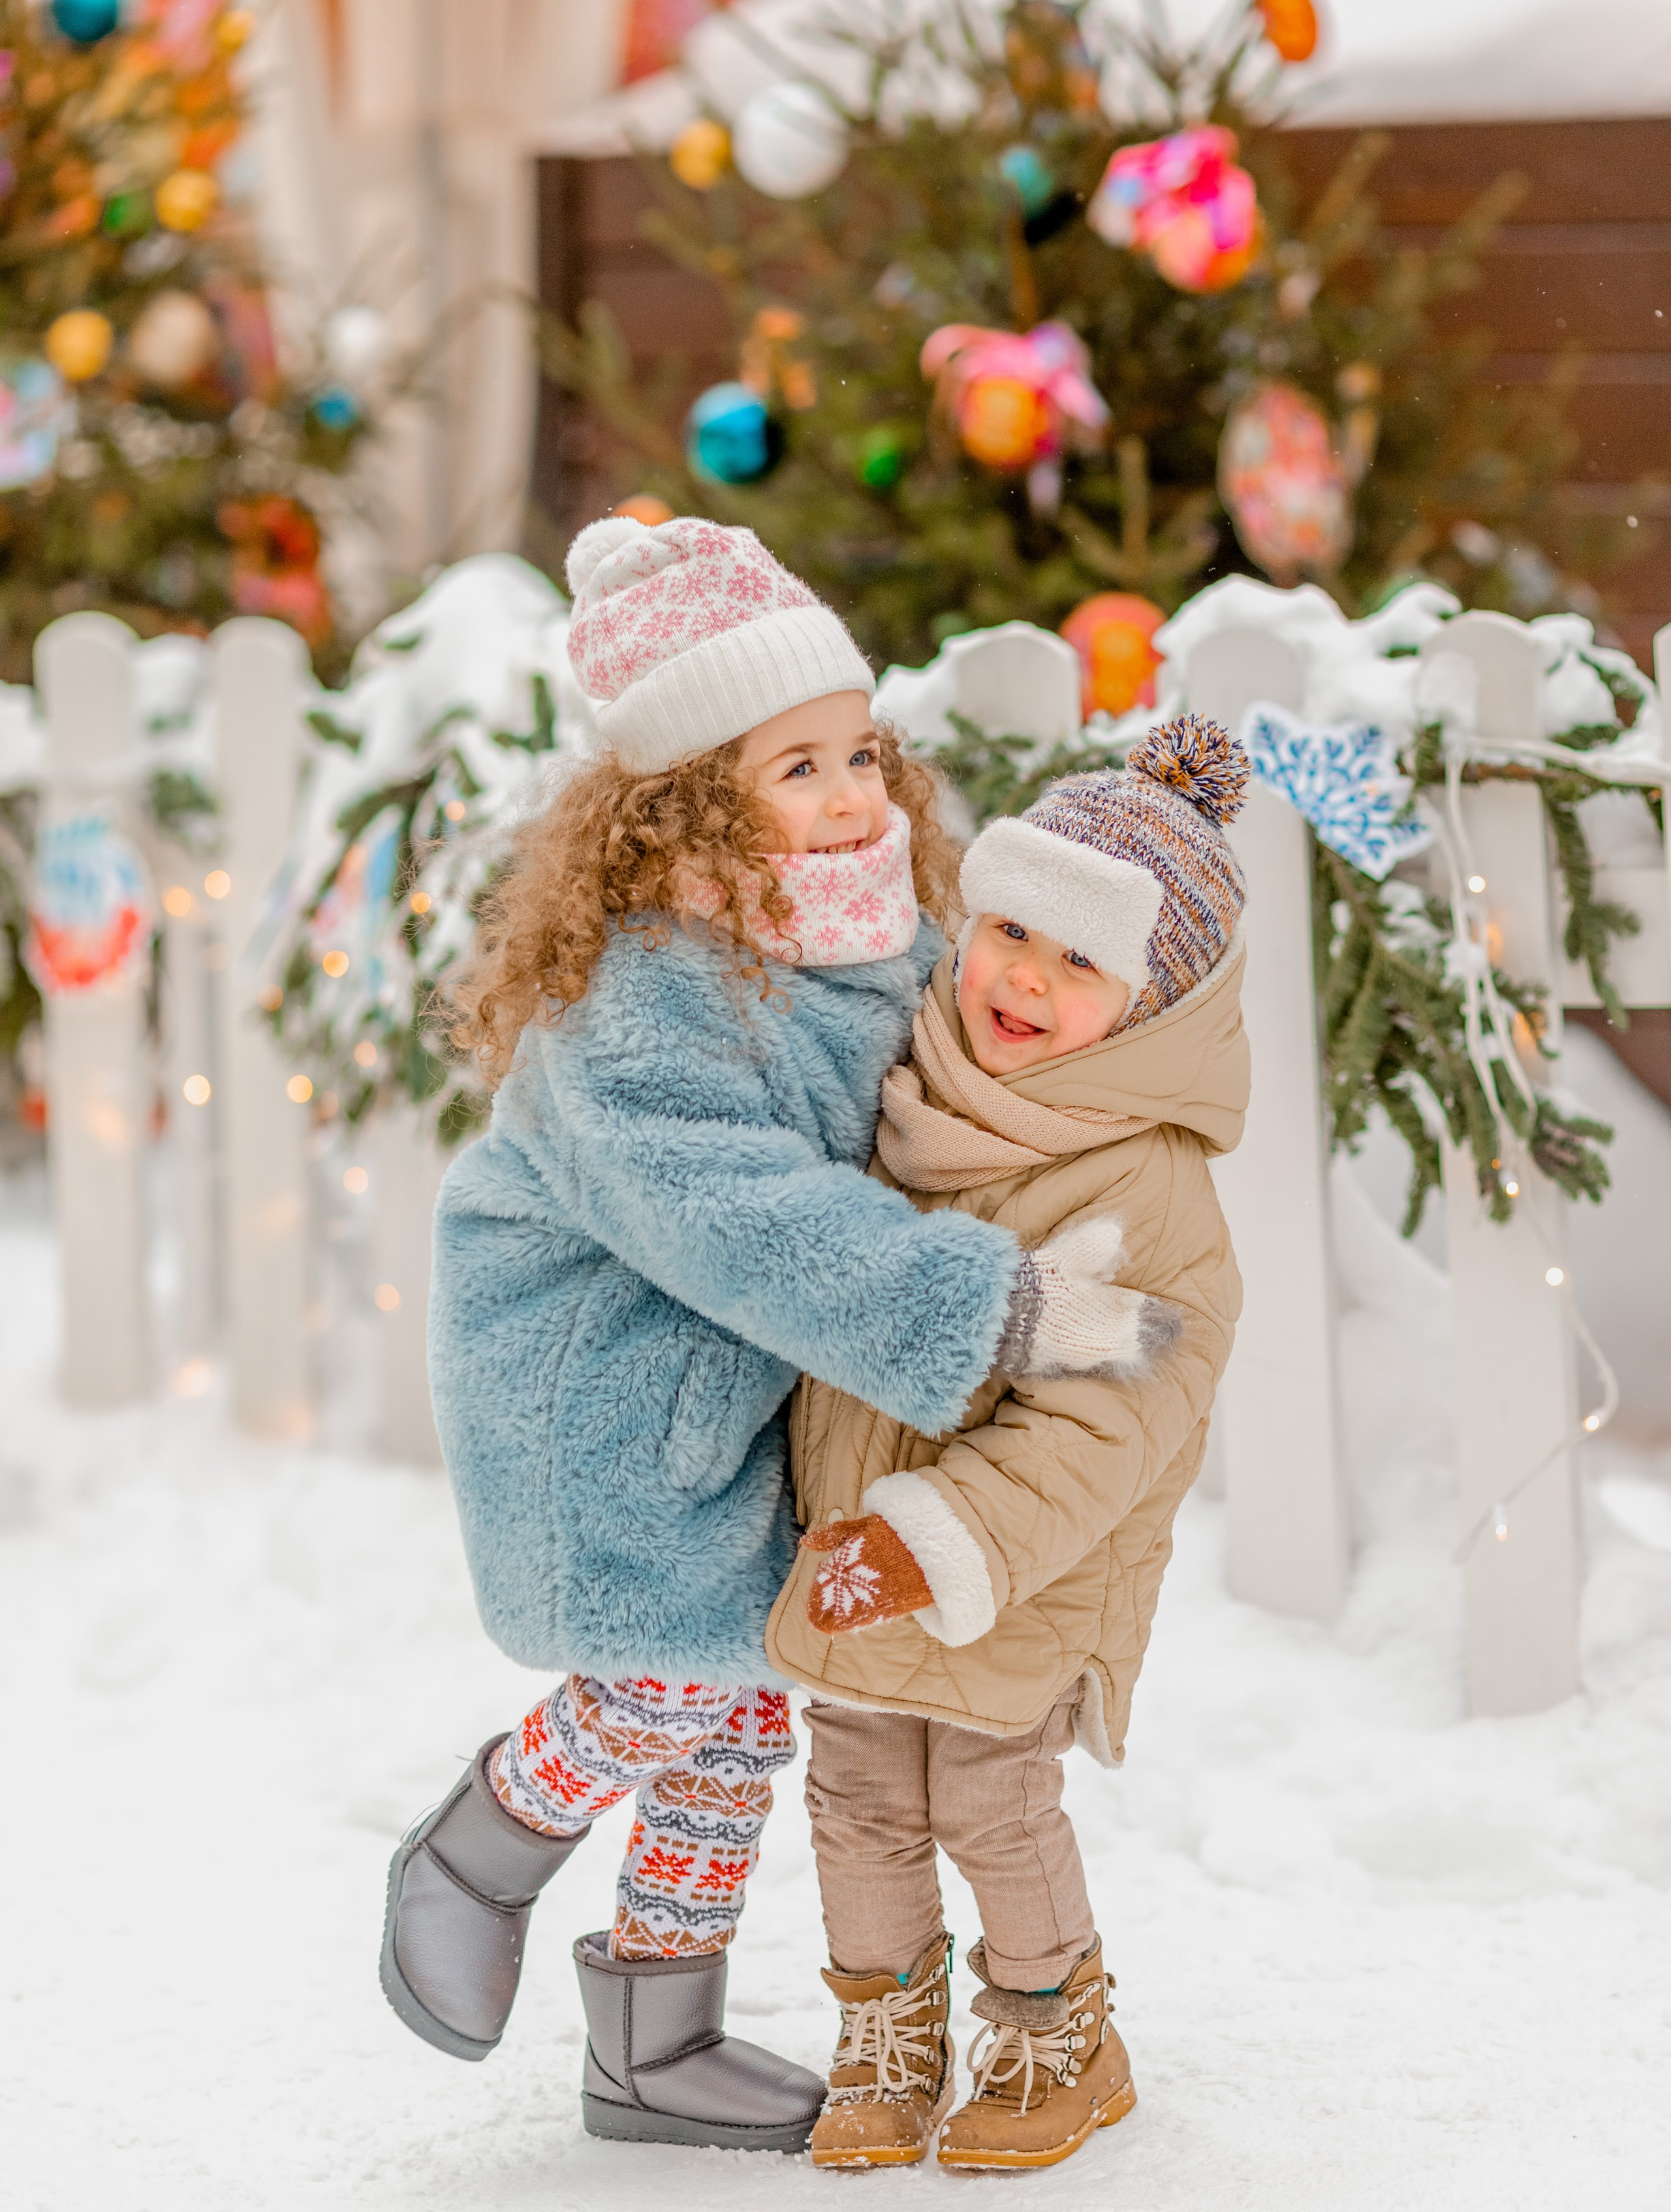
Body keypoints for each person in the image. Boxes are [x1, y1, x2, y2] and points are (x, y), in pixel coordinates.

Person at [377, 513, 1144, 2155]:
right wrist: (981, 1308)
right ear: (684, 801)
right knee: (659, 1686)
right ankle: (477, 1848)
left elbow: (951, 1084)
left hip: (731, 1401)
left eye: (858, 752)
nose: (854, 796)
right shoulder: (638, 989)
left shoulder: (865, 931)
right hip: (593, 1384)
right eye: (795, 769)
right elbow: (735, 1213)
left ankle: (654, 2042)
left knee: (737, 1710)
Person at [764, 716, 1251, 2174]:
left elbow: (1103, 1426)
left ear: (1152, 1008)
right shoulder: (910, 1092)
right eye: (1010, 929)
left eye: (1078, 961)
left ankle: (1055, 2031)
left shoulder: (1141, 1190)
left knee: (984, 1794)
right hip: (847, 1548)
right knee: (851, 1794)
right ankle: (885, 2032)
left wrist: (926, 1545)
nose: (1023, 978)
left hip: (1012, 1572)